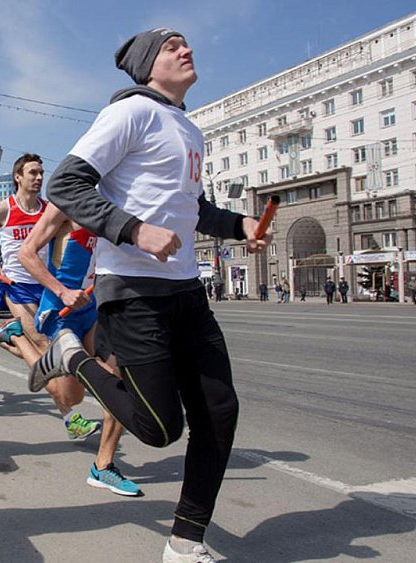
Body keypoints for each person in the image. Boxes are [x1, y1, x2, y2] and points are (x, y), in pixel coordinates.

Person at [40, 28, 271, 562]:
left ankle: (185, 543)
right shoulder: (130, 113)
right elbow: (66, 185)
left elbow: (194, 210)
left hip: (186, 290)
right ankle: (73, 356)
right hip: (134, 291)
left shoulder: (189, 127)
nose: (185, 50)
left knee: (219, 412)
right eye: (171, 47)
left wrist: (241, 225)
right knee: (159, 428)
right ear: (148, 66)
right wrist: (133, 229)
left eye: (186, 44)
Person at [0, 153, 101, 434]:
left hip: (45, 284)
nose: (39, 178)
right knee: (45, 347)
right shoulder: (0, 210)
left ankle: (7, 336)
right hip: (16, 286)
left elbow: (77, 230)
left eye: (42, 173)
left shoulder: (50, 210)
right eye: (32, 173)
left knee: (47, 351)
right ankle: (70, 418)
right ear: (17, 177)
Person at [18, 202, 139, 495]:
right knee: (71, 395)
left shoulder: (114, 210)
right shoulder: (64, 210)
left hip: (92, 308)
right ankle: (19, 339)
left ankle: (103, 466)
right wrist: (63, 291)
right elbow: (26, 254)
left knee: (116, 380)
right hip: (59, 310)